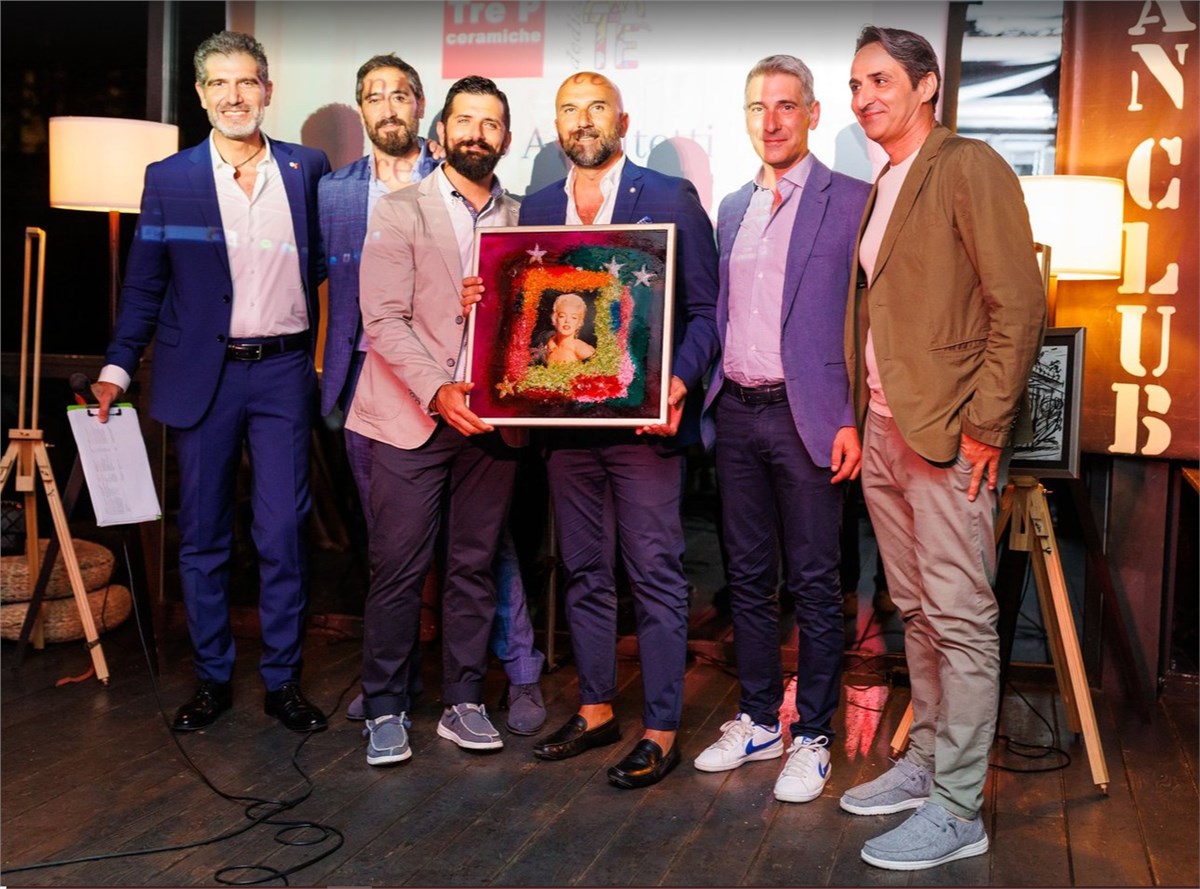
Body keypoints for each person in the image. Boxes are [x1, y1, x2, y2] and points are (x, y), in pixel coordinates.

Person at [468, 71, 719, 789]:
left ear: (623, 120)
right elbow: (525, 314)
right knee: (583, 571)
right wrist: (485, 295)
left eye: (597, 107)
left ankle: (661, 729)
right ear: (556, 127)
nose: (584, 120)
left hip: (643, 432)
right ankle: (596, 707)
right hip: (566, 431)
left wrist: (679, 380)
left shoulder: (669, 196)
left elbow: (706, 312)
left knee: (655, 575)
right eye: (570, 110)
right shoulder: (540, 207)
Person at [841, 26, 1045, 870]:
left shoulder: (968, 165)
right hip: (887, 427)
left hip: (949, 431)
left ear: (927, 85)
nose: (865, 98)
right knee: (918, 609)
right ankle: (926, 761)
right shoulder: (885, 178)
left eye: (881, 81)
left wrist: (986, 424)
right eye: (856, 86)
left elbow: (1019, 303)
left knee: (960, 617)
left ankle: (960, 807)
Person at [93, 31, 331, 734]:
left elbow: (329, 264)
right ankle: (212, 679)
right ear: (200, 94)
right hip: (204, 374)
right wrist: (115, 368)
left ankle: (283, 681)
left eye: (246, 81)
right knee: (201, 535)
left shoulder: (307, 168)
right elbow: (145, 285)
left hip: (283, 371)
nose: (234, 96)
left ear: (267, 90)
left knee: (283, 531)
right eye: (219, 83)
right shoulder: (169, 178)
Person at [318, 55, 545, 735]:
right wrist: (439, 387)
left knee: (473, 566)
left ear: (506, 139)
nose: (477, 132)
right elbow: (383, 318)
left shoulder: (525, 218)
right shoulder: (397, 209)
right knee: (398, 567)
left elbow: (534, 317)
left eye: (491, 124)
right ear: (441, 132)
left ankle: (463, 701)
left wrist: (500, 303)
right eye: (465, 120)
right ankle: (385, 704)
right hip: (409, 416)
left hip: (492, 424)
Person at [692, 55, 869, 805]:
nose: (770, 121)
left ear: (813, 114)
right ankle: (761, 720)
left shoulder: (852, 199)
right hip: (737, 410)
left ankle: (816, 735)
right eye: (757, 107)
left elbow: (870, 321)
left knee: (818, 585)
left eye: (786, 106)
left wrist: (853, 417)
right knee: (748, 579)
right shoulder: (732, 206)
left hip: (811, 418)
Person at [535, 293, 595, 365]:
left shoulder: (582, 349)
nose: (567, 321)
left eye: (574, 317)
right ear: (555, 318)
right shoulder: (546, 342)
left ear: (579, 322)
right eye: (562, 316)